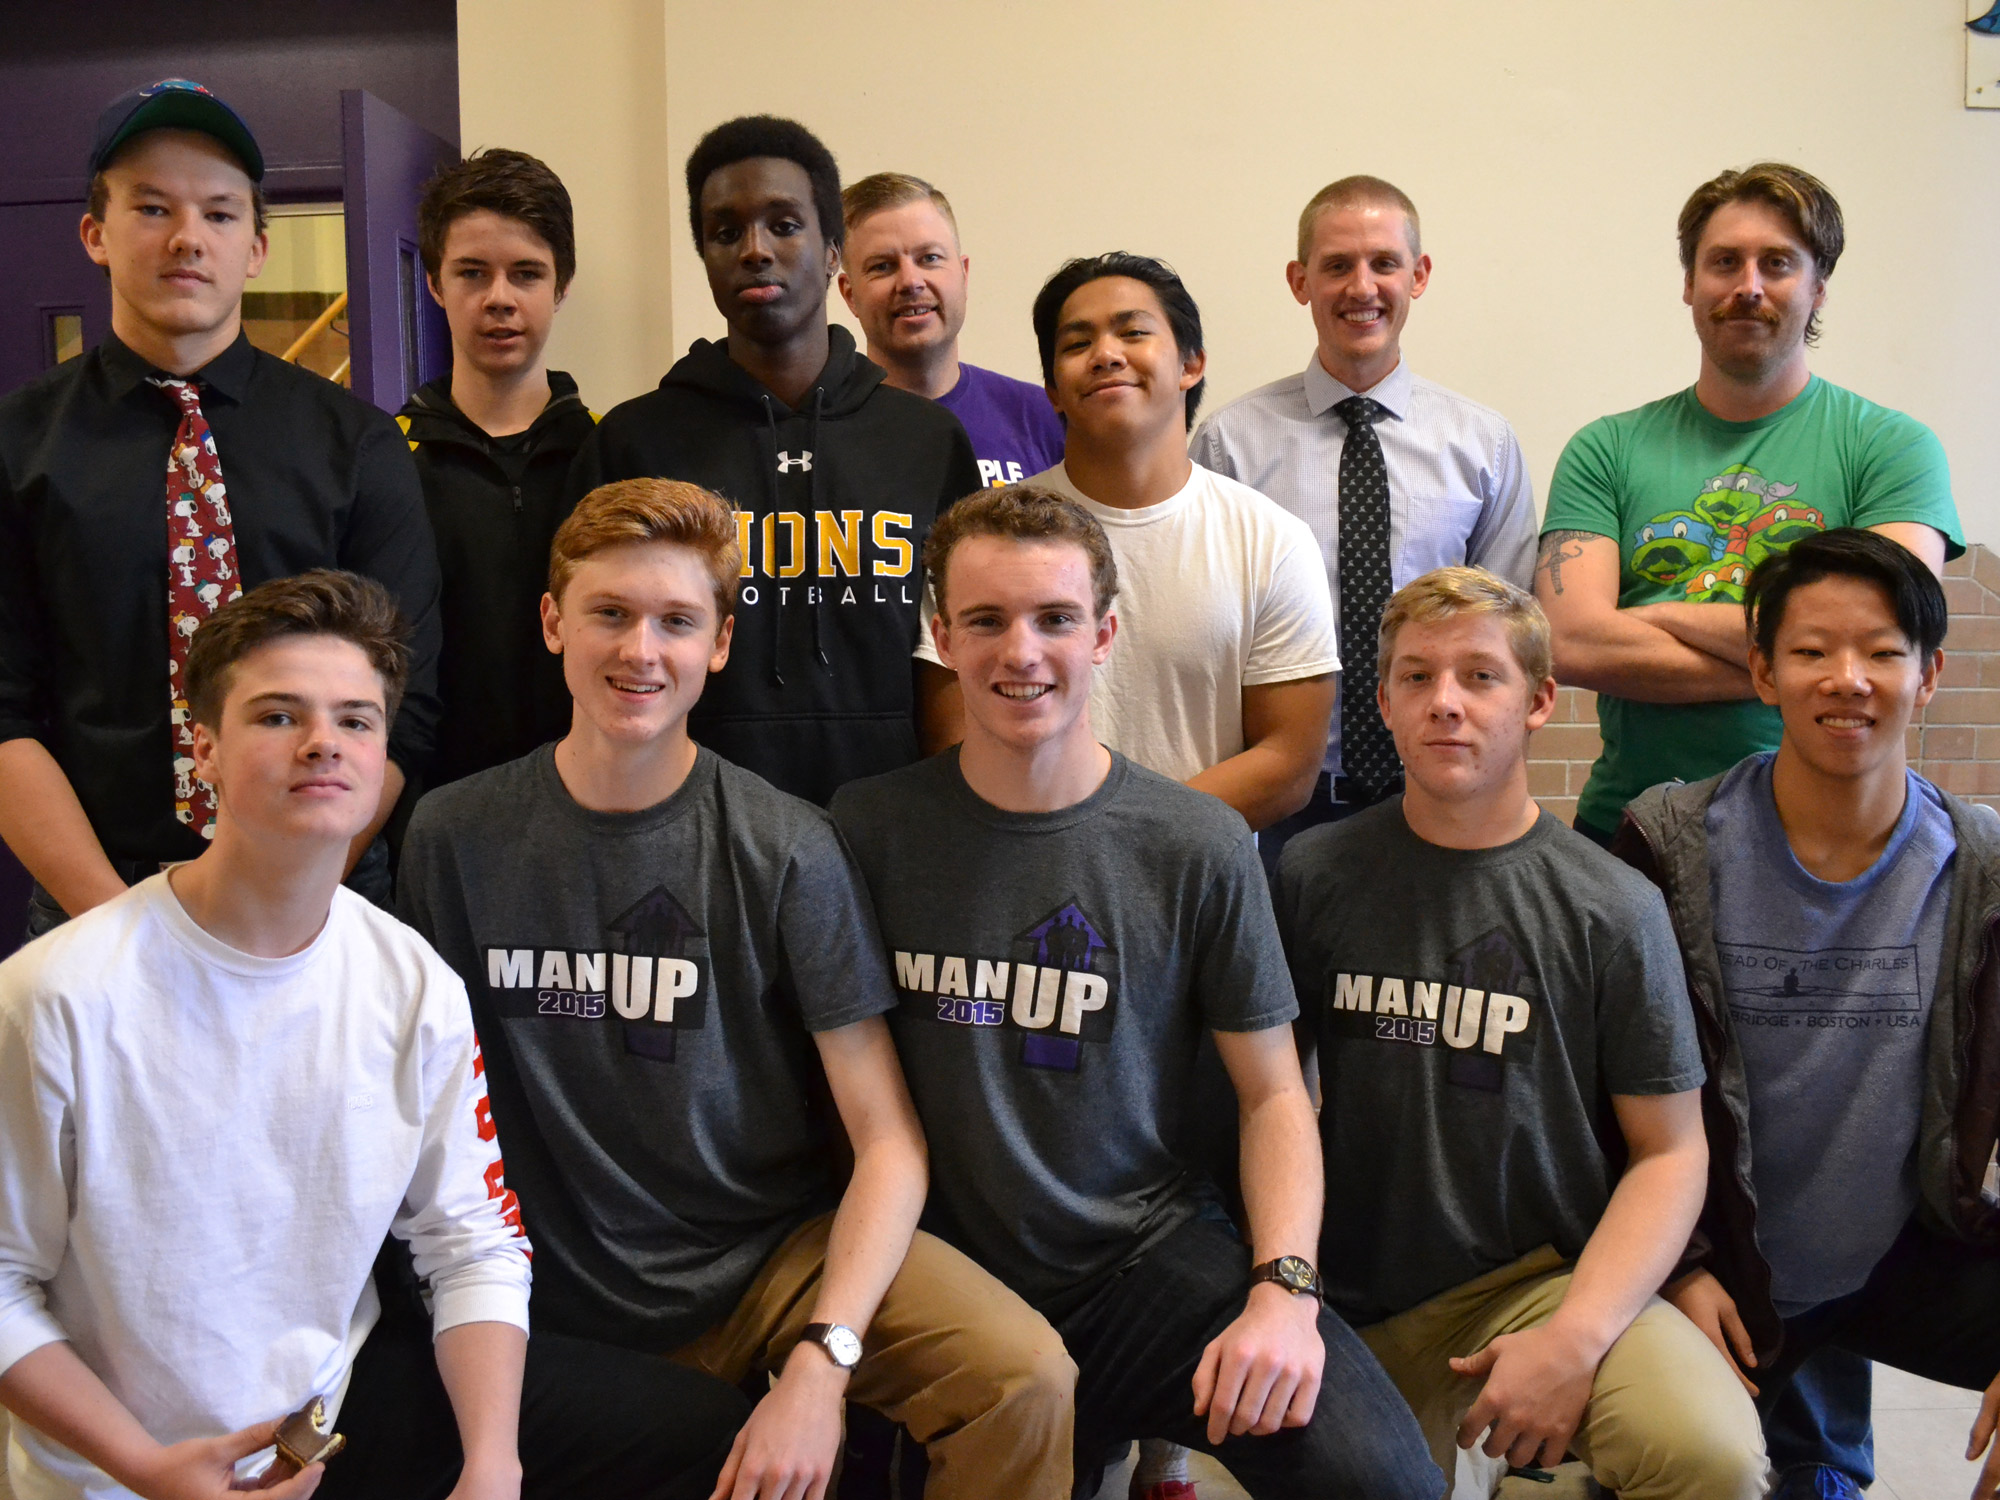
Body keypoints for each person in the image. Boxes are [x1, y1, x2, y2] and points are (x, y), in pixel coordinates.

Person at [397, 478, 1073, 1500]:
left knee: (1023, 1378)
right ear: (552, 623)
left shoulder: (786, 846)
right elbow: (424, 1109)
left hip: (765, 1258)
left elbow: (887, 1141)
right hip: (557, 1280)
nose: (640, 651)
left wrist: (822, 1360)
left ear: (718, 643)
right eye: (610, 615)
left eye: (676, 622)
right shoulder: (454, 837)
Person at [833, 485, 1444, 1500]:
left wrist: (1282, 1292)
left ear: (1104, 633)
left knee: (1382, 1481)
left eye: (1054, 619)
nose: (1020, 652)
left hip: (1142, 1266)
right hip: (949, 1280)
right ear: (940, 636)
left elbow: (1272, 1095)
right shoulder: (864, 833)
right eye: (984, 621)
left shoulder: (1193, 843)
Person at [0, 571, 529, 1500]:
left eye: (356, 720)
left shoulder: (414, 988)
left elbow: (473, 1238)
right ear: (202, 748)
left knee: (680, 1436)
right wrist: (145, 1468)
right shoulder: (53, 995)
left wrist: (492, 1465)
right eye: (279, 716)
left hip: (314, 1443)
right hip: (106, 1474)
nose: (324, 742)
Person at [1273, 566, 1766, 1499]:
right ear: (1381, 700)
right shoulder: (1314, 873)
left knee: (1713, 1456)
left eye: (1480, 677)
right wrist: (1280, 1290)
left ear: (1540, 700)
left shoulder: (1612, 904)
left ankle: (1554, 1476)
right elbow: (1268, 1096)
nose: (1445, 704)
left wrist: (1575, 1341)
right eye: (1416, 677)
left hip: (1541, 1281)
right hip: (1351, 1296)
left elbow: (1671, 1152)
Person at [0, 79, 442, 933]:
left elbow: (404, 701)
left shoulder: (357, 444)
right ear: (95, 233)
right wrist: (118, 928)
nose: (186, 239)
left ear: (257, 249)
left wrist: (282, 895)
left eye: (220, 213)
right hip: (96, 901)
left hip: (323, 891)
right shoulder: (19, 446)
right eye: (153, 208)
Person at [1613, 529, 2000, 1500]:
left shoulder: (1980, 869)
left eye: (1879, 651)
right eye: (1810, 651)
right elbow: (1595, 1100)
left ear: (1928, 675)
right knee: (1696, 1467)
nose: (1846, 679)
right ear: (1760, 671)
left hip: (1893, 1259)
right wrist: (1675, 1268)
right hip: (1708, 1269)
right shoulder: (1667, 851)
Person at [1537, 162, 1961, 849]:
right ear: (1689, 283)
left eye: (1778, 263)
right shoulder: (1605, 449)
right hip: (1628, 834)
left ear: (1819, 288)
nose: (1748, 286)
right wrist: (1799, 658)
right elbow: (1571, 640)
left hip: (1832, 840)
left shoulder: (1891, 447)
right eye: (1724, 262)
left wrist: (1655, 617)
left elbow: (1885, 637)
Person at [569, 116, 981, 805]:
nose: (756, 250)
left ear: (832, 252)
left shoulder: (927, 441)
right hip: (689, 820)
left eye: (785, 225)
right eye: (727, 232)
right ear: (704, 256)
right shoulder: (634, 443)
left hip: (892, 821)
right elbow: (589, 655)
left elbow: (959, 654)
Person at [923, 253, 1337, 835]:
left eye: (1134, 332)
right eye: (1077, 343)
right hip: (1013, 859)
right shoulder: (983, 537)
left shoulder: (1273, 541)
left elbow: (1287, 762)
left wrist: (1125, 841)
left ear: (1191, 364)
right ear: (1053, 391)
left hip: (1196, 881)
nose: (1107, 354)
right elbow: (952, 734)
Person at [1193, 176, 1537, 854]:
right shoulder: (1228, 444)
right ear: (1300, 281)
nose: (1362, 287)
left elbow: (1512, 643)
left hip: (1436, 791)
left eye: (1383, 263)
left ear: (1419, 275)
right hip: (1278, 798)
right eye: (1336, 266)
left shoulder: (1483, 446)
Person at [401, 147, 593, 789]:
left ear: (562, 285)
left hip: (592, 806)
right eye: (473, 273)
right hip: (424, 816)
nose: (499, 299)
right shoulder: (381, 460)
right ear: (435, 283)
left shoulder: (613, 454)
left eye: (527, 274)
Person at [838, 172, 1064, 487]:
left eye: (929, 258)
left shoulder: (1042, 417)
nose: (911, 282)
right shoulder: (821, 428)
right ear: (850, 295)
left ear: (963, 273)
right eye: (882, 266)